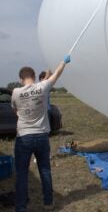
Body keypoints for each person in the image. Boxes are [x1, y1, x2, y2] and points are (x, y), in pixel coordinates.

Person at [11, 55, 70, 211]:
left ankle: (21, 207)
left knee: (22, 173)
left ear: (21, 78)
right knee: (44, 170)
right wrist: (63, 62)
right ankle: (48, 203)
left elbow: (15, 110)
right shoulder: (42, 87)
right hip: (42, 136)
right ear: (34, 76)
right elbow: (57, 74)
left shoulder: (16, 92)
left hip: (23, 137)